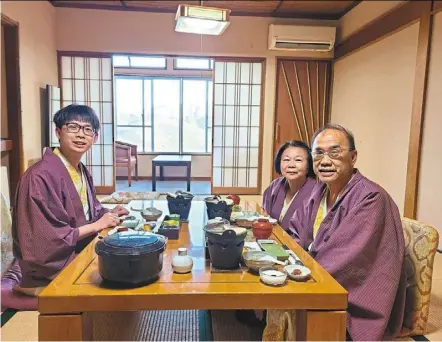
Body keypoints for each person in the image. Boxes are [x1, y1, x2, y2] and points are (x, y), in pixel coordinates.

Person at [263, 124, 406, 341]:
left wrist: (295, 267)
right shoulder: (319, 191)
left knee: (283, 294)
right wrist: (284, 257)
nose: (326, 161)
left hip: (353, 291)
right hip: (314, 269)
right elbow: (295, 231)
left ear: (353, 157)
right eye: (318, 153)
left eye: (335, 152)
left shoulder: (370, 198)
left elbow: (347, 257)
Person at [11, 104, 129, 300]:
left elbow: (88, 211)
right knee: (120, 271)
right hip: (50, 264)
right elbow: (45, 240)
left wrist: (108, 212)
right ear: (58, 132)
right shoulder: (39, 176)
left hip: (77, 247)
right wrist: (99, 224)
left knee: (126, 256)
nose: (81, 135)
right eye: (73, 127)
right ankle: (43, 288)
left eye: (87, 129)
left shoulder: (80, 170)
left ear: (95, 138)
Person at [262, 140, 316, 231]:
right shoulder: (275, 186)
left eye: (298, 160)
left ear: (308, 165)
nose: (291, 165)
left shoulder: (317, 192)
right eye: (286, 160)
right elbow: (264, 218)